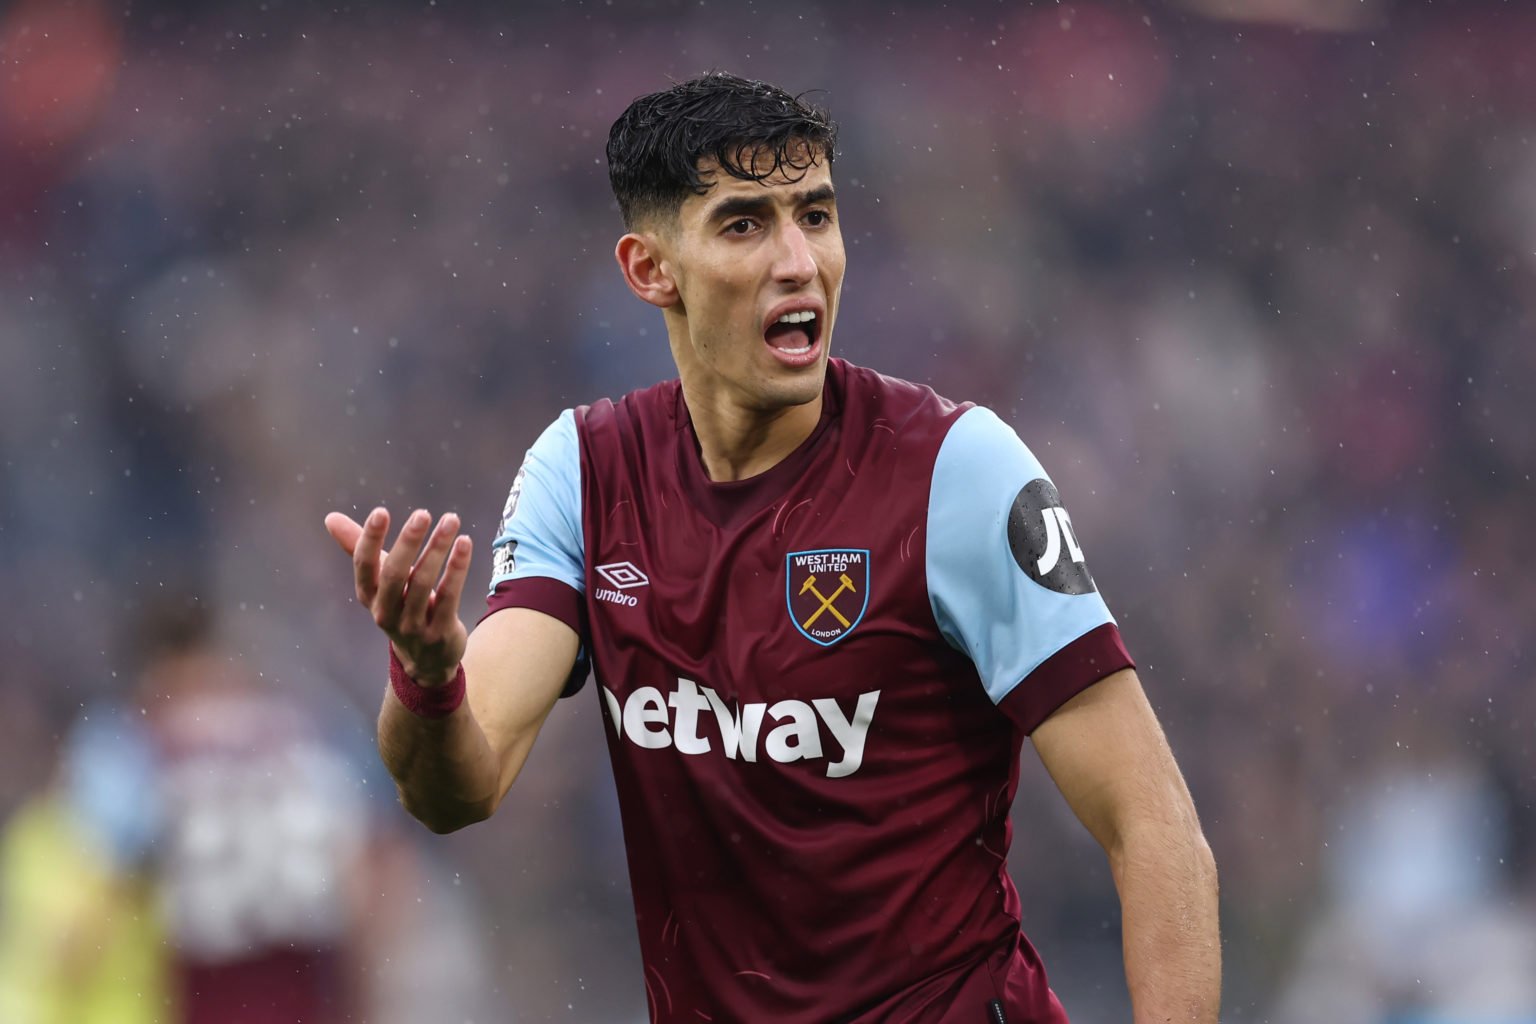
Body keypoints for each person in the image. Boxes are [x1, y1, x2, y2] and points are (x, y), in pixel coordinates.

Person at [325, 72, 1221, 1023]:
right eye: (745, 224)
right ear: (649, 269)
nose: (800, 260)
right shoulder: (584, 473)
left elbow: (1154, 825)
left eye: (817, 215)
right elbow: (455, 788)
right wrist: (427, 674)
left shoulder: (956, 471)